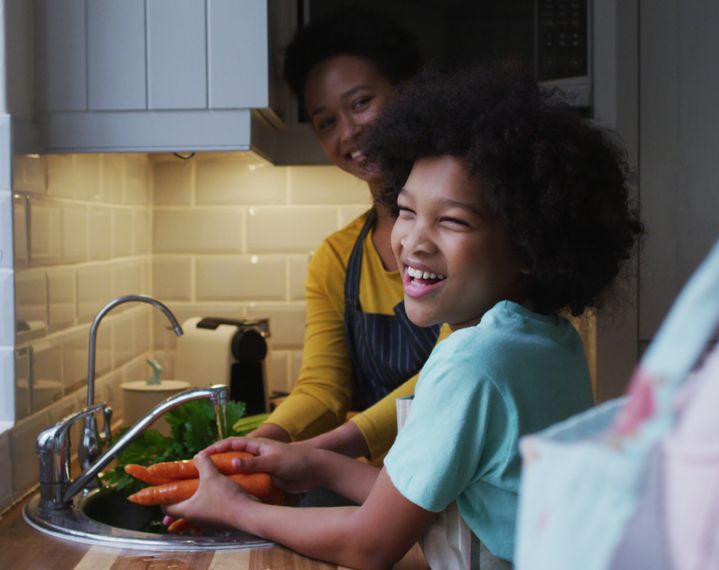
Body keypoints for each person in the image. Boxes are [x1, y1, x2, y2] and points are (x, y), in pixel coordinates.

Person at [165, 65, 643, 568]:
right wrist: (319, 464)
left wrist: (236, 509)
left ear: (528, 245)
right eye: (406, 211)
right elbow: (435, 496)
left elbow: (370, 543)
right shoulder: (547, 340)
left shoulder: (473, 362)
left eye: (452, 221)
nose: (413, 241)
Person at [247, 7, 445, 460]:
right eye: (326, 122)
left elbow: (452, 375)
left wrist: (323, 450)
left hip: (467, 497)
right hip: (379, 489)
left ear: (407, 91)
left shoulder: (468, 231)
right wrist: (264, 440)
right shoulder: (336, 259)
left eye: (360, 103)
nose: (349, 132)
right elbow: (322, 386)